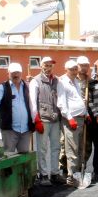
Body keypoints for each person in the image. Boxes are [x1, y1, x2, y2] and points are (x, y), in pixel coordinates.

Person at [29, 56, 64, 186]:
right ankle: (43, 174)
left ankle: (54, 173)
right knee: (42, 148)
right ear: (41, 66)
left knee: (56, 147)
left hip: (55, 119)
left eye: (50, 66)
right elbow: (32, 102)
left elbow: (60, 99)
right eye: (46, 65)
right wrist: (36, 119)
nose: (48, 68)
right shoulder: (35, 81)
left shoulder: (57, 81)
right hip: (43, 119)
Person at [0, 62, 34, 153]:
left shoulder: (28, 86)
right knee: (9, 154)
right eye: (13, 73)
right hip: (9, 129)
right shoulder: (2, 88)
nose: (15, 75)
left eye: (17, 72)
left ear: (21, 73)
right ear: (8, 73)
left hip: (26, 129)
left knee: (24, 154)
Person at [57, 60, 87, 186]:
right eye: (71, 69)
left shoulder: (76, 82)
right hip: (71, 119)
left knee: (80, 149)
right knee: (72, 150)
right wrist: (69, 118)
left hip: (81, 118)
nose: (74, 71)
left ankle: (78, 174)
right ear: (66, 69)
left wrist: (87, 114)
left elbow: (79, 99)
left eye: (75, 68)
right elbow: (61, 103)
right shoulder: (62, 83)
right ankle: (71, 176)